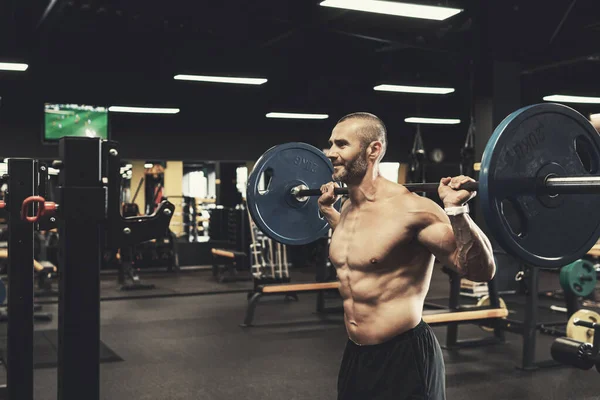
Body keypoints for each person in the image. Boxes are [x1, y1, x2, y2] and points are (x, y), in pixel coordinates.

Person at [318, 112, 496, 400]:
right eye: (331, 144)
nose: (331, 153)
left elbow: (480, 271)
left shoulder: (414, 210)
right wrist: (329, 213)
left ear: (373, 150)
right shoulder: (349, 208)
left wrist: (456, 212)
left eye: (341, 145)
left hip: (403, 356)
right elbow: (367, 250)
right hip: (356, 355)